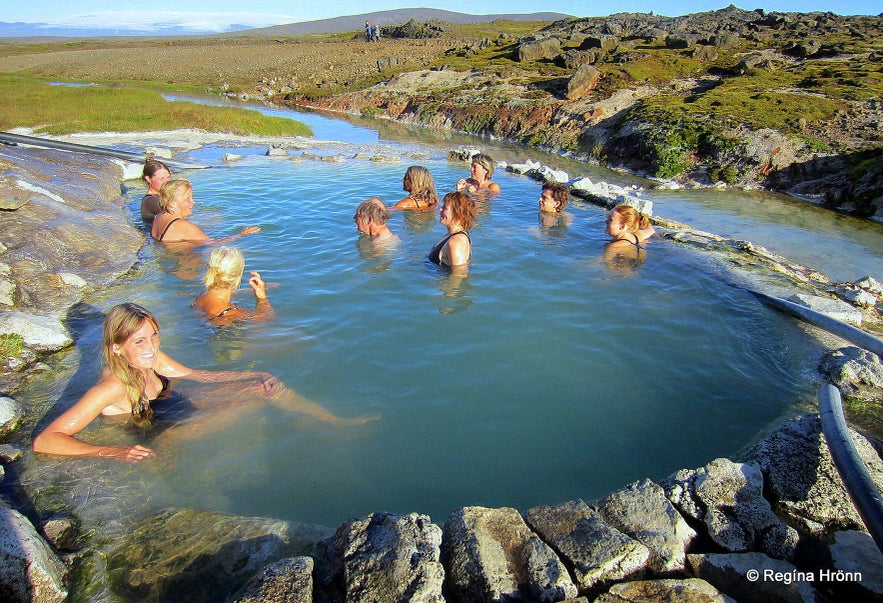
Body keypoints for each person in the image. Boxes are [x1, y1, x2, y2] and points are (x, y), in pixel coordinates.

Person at [32, 303, 375, 463]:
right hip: (166, 433)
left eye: (154, 336)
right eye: (139, 342)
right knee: (257, 400)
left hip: (178, 408)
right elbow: (46, 440)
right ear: (117, 347)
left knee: (266, 387)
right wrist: (113, 451)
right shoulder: (112, 388)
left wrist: (255, 374)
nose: (151, 347)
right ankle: (318, 430)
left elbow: (199, 375)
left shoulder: (153, 358)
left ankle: (330, 421)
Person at [151, 179, 261, 246]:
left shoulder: (159, 216)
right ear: (172, 203)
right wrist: (241, 234)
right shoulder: (183, 226)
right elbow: (214, 244)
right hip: (184, 265)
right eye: (187, 199)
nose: (193, 202)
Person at [193, 247, 274, 324]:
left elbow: (224, 294)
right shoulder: (232, 314)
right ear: (238, 275)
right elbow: (267, 317)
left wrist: (251, 290)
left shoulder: (202, 297)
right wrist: (262, 298)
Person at [428, 191, 476, 268]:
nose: (440, 209)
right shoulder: (452, 235)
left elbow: (457, 276)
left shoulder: (456, 242)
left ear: (457, 213)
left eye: (445, 208)